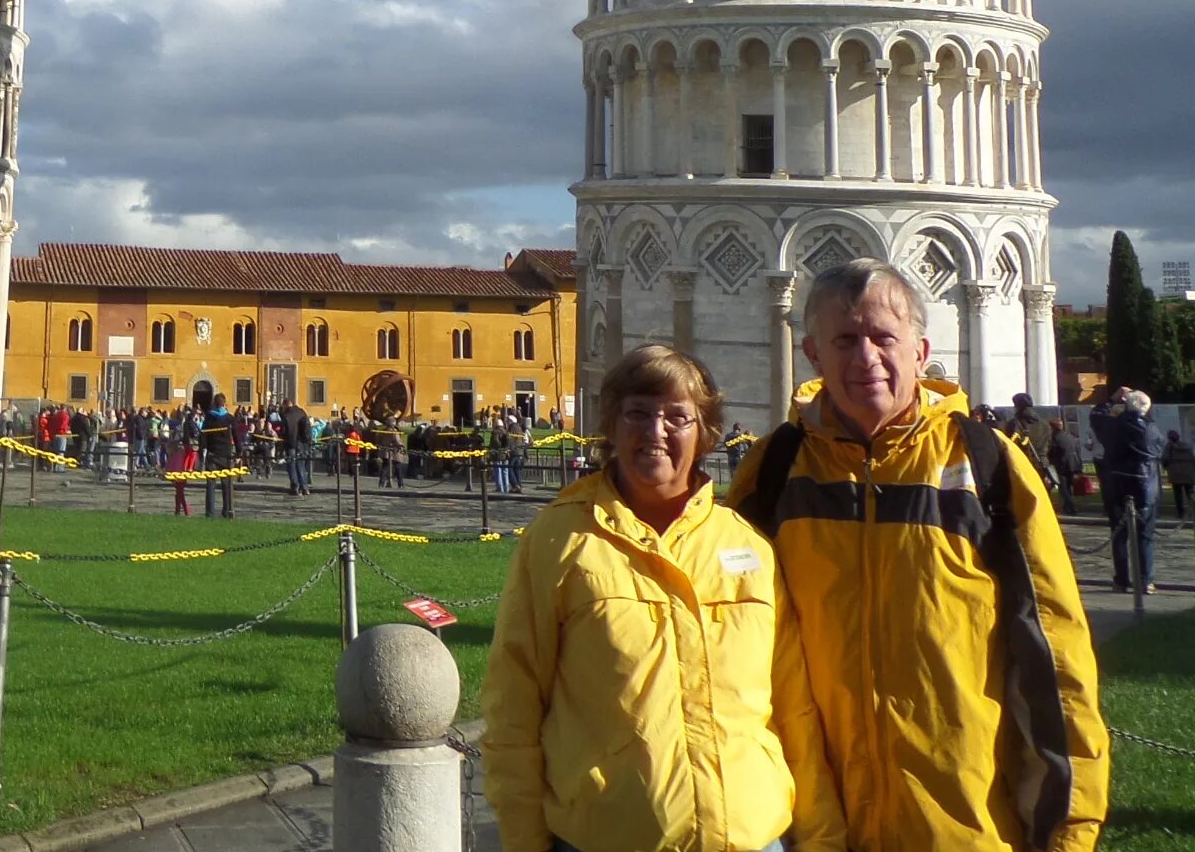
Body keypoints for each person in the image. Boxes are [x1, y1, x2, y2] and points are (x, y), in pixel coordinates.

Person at [732, 258, 1107, 852]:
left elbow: (1054, 652)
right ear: (813, 356)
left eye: (884, 338)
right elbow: (729, 640)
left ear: (920, 348)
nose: (866, 359)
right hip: (814, 821)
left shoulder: (986, 464)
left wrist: (1065, 831)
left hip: (963, 821)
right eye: (845, 340)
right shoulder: (774, 471)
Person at [484, 344, 844, 852]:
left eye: (678, 417)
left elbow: (794, 710)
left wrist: (823, 839)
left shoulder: (747, 547)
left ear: (704, 434)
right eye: (638, 414)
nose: (656, 432)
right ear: (612, 424)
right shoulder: (560, 541)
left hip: (751, 838)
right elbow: (512, 711)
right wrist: (525, 841)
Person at [1095, 390, 1159, 593]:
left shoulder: (1111, 427)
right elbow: (1160, 448)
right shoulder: (1151, 429)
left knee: (1119, 535)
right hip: (1144, 482)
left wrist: (1112, 399)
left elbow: (1096, 415)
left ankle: (1121, 580)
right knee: (1144, 535)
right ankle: (1145, 580)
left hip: (1117, 481)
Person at [199, 392, 237, 520]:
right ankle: (227, 510)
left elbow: (203, 435)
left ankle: (210, 512)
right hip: (226, 454)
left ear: (214, 404)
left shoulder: (209, 418)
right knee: (226, 484)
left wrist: (201, 451)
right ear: (224, 404)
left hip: (212, 453)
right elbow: (236, 435)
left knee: (211, 483)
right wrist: (240, 451)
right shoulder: (229, 418)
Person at [1161, 421, 1195, 518]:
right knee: (1190, 493)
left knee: (1178, 495)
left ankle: (1181, 513)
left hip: (1176, 474)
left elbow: (1165, 458)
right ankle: (1194, 512)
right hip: (1188, 473)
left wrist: (1165, 466)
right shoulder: (1187, 446)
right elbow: (1193, 459)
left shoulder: (1169, 447)